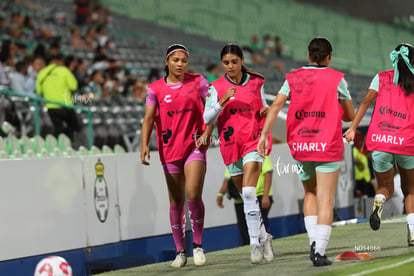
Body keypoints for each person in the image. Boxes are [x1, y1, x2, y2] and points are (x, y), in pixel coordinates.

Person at [258, 37, 355, 266]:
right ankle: (319, 251)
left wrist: (264, 135)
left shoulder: (293, 78)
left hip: (301, 145)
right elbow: (350, 115)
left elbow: (276, 106)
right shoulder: (336, 79)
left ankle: (314, 243)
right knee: (326, 198)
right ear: (329, 57)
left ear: (309, 55)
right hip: (327, 144)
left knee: (310, 193)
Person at [141, 44, 213, 268]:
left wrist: (207, 133)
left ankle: (198, 246)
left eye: (184, 60)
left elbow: (211, 108)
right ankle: (180, 252)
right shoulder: (154, 89)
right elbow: (148, 119)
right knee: (176, 201)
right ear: (167, 62)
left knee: (192, 194)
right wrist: (144, 145)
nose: (180, 64)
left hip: (195, 146)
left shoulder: (198, 81)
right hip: (169, 150)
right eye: (176, 60)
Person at [204, 43, 274, 264]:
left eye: (234, 62)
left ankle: (254, 244)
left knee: (250, 191)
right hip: (230, 143)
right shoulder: (215, 87)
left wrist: (264, 110)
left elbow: (264, 106)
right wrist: (223, 101)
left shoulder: (256, 81)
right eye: (226, 63)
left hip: (254, 139)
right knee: (246, 197)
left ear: (242, 60)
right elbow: (206, 118)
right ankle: (265, 237)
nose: (230, 66)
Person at [344, 43, 414, 246]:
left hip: (381, 141)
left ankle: (380, 200)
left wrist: (352, 128)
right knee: (411, 190)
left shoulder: (381, 77)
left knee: (384, 187)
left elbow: (365, 102)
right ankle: (412, 233)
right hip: (407, 143)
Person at [217, 156, 274, 245]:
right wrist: (220, 193)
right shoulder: (233, 154)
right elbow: (228, 178)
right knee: (245, 231)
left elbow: (268, 173)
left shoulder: (257, 151)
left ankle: (264, 243)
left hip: (259, 195)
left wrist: (266, 195)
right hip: (240, 200)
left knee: (259, 225)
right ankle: (255, 247)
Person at [36, 53, 82, 140]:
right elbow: (74, 86)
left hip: (51, 106)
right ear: (57, 61)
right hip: (66, 105)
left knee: (58, 129)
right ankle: (70, 146)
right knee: (74, 127)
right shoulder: (64, 70)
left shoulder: (41, 73)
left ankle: (59, 148)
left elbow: (39, 91)